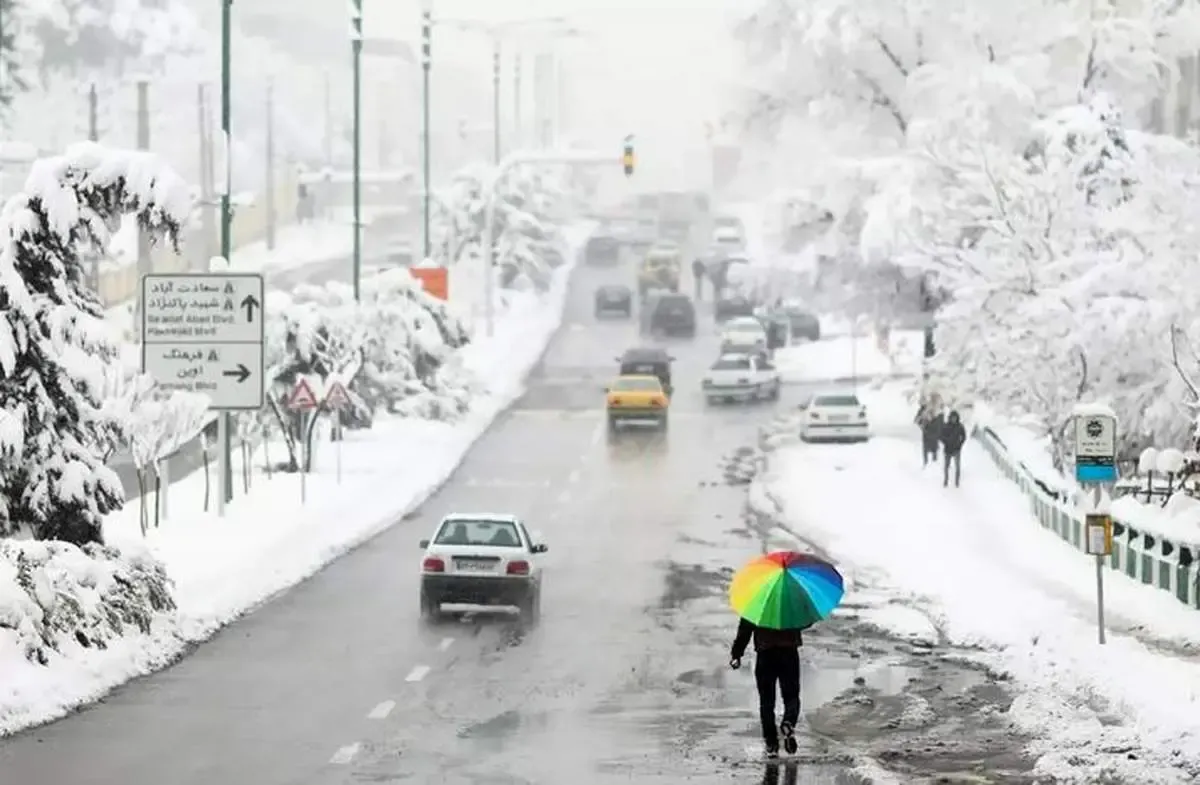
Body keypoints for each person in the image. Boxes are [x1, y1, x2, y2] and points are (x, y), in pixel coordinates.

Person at [730, 617, 806, 758]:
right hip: (789, 653)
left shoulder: (757, 603)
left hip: (765, 654)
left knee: (766, 702)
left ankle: (771, 744)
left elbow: (745, 629)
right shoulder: (791, 601)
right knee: (791, 696)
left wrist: (736, 654)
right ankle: (788, 722)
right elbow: (804, 621)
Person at [940, 410, 967, 487]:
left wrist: (960, 444)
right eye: (952, 418)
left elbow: (964, 436)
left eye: (955, 418)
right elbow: (941, 436)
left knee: (958, 467)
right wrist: (945, 442)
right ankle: (945, 480)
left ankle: (957, 482)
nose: (953, 419)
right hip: (947, 449)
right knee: (946, 466)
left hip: (956, 450)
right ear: (950, 418)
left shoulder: (960, 426)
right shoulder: (946, 426)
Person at [915, 401, 944, 467]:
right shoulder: (924, 410)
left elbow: (942, 426)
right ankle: (926, 467)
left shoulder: (939, 412)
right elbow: (917, 421)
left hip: (934, 437)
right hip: (927, 437)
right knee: (927, 455)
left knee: (934, 455)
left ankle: (933, 468)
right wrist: (922, 426)